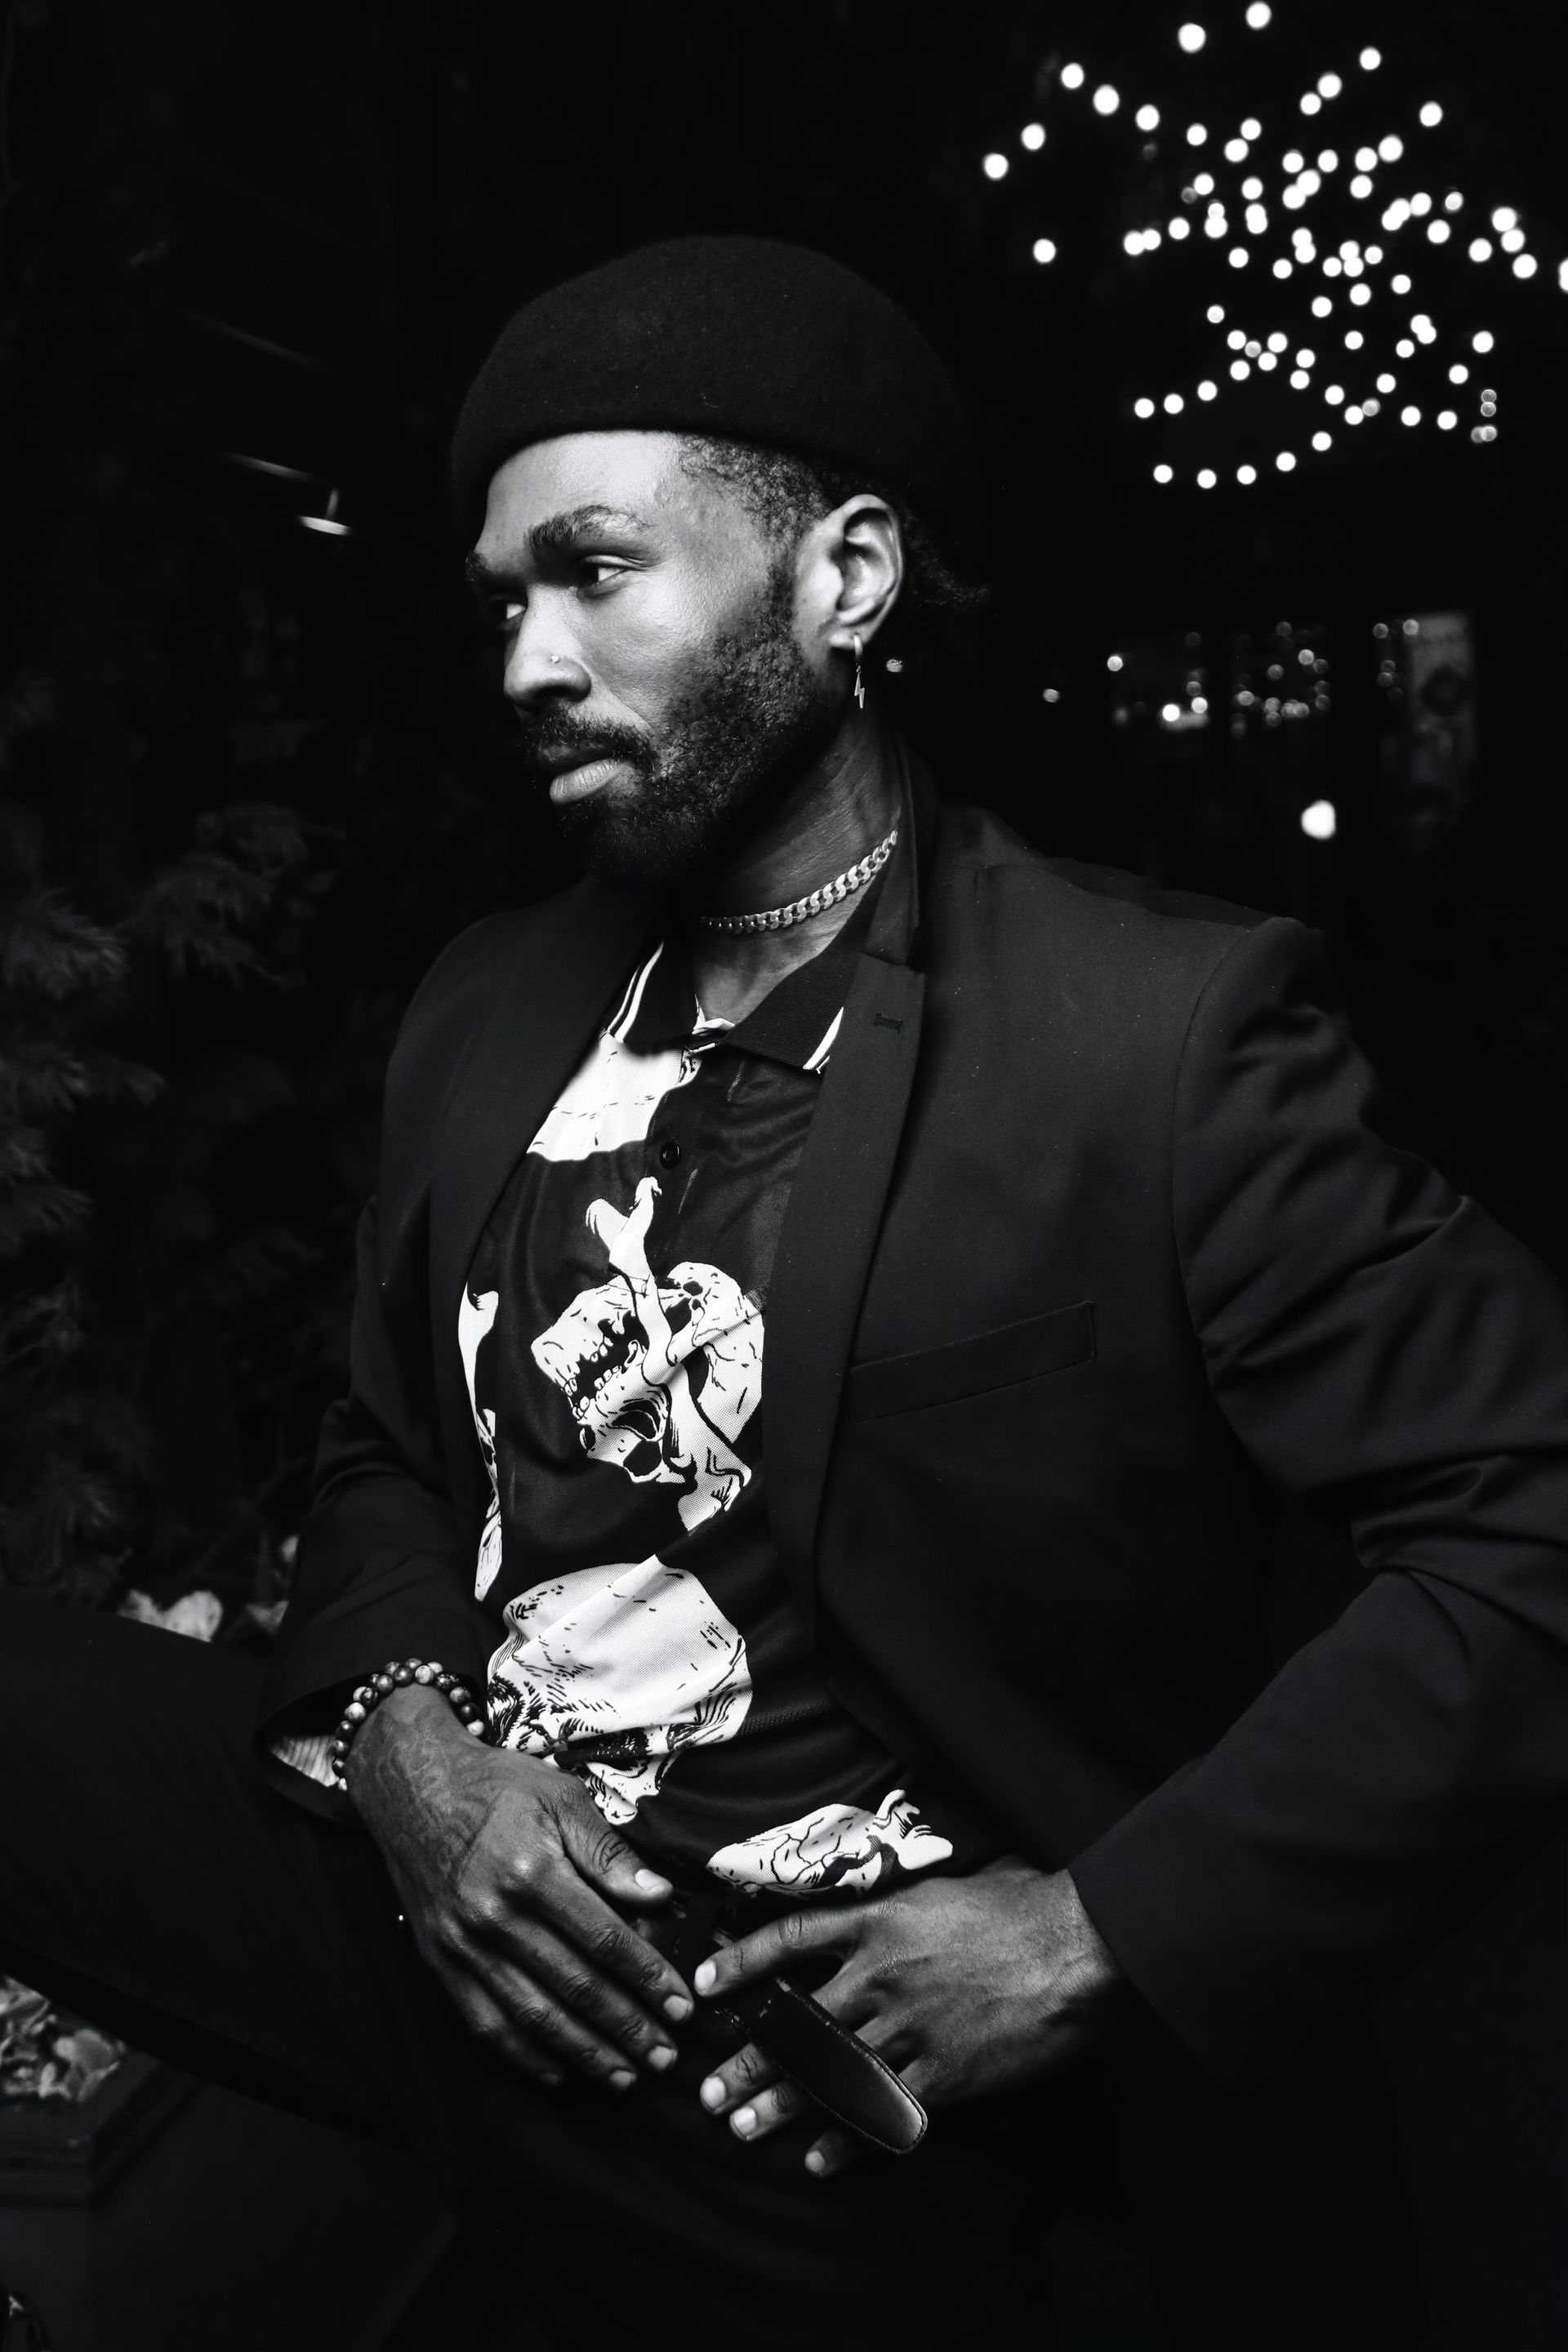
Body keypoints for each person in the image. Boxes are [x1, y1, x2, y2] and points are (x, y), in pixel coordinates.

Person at [4, 234, 1568, 2352]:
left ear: (848, 580)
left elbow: (1530, 1520)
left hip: (819, 2083)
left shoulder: (1153, 1037)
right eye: (504, 599)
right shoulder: (489, 1002)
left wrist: (1092, 1936)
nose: (527, 660)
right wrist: (411, 1761)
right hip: (450, 1901)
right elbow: (386, 1447)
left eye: (595, 571)